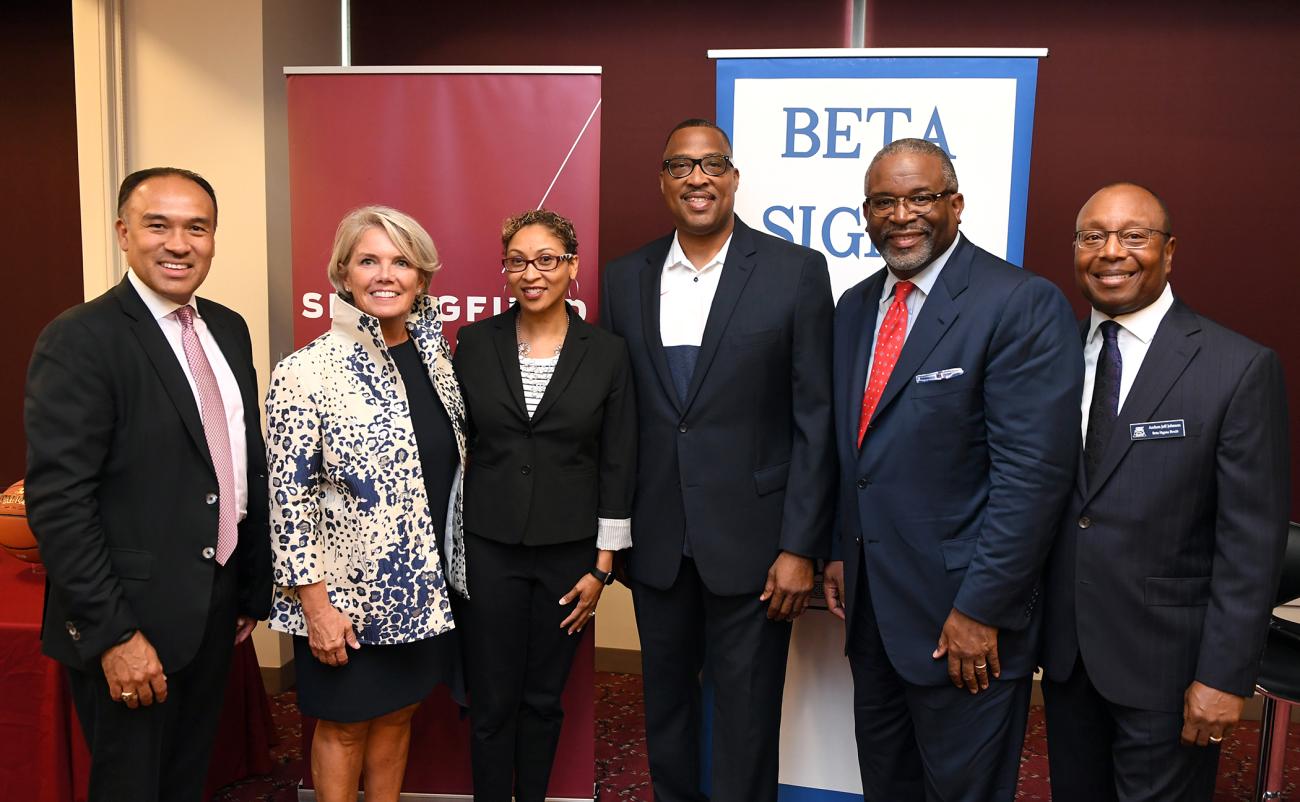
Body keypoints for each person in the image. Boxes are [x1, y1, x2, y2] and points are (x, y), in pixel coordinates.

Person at [822, 138, 1082, 802]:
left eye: (920, 197)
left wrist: (981, 608)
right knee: (889, 785)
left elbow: (1034, 477)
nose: (900, 214)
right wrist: (836, 551)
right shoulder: (855, 308)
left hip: (963, 626)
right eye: (884, 201)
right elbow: (856, 454)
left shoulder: (1019, 303)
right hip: (874, 613)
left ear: (957, 205)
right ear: (865, 212)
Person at [600, 118, 835, 802]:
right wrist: (613, 537)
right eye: (681, 166)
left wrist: (801, 546)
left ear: (733, 178)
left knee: (748, 716)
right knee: (665, 708)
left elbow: (814, 418)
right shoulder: (625, 278)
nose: (697, 177)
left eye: (711, 165)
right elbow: (618, 422)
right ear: (664, 182)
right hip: (660, 542)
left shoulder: (794, 271)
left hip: (758, 547)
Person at [24, 167, 272, 801]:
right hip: (130, 617)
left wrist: (247, 586)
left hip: (212, 606)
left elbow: (240, 462)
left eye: (197, 227)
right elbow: (60, 503)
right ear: (122, 234)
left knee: (187, 780)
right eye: (157, 225)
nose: (179, 243)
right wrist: (114, 636)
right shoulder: (81, 339)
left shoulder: (228, 327)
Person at [1040, 182, 1290, 802]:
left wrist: (1223, 677)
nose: (1110, 252)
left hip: (1172, 673)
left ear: (1170, 251)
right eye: (1092, 236)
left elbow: (1251, 544)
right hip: (1068, 665)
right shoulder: (1048, 356)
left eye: (1133, 236)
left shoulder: (1236, 367)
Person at [264, 206, 467, 802]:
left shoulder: (439, 364)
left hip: (421, 594)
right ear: (344, 274)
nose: (385, 274)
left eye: (400, 261)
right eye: (368, 260)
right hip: (345, 601)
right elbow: (288, 500)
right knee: (346, 727)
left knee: (400, 714)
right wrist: (316, 607)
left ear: (422, 277)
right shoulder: (305, 372)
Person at [453, 208, 635, 802]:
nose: (532, 273)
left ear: (572, 267)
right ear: (505, 269)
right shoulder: (475, 344)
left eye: (547, 260)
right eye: (518, 261)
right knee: (491, 700)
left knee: (542, 698)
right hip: (488, 548)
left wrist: (602, 566)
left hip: (569, 555)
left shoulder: (607, 352)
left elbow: (617, 460)